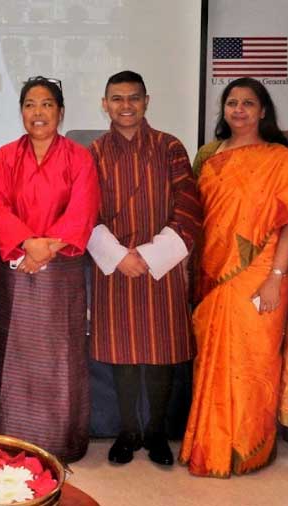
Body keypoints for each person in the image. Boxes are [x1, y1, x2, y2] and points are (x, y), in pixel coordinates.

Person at [180, 77, 288, 477]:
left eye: (248, 103)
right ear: (223, 111)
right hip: (211, 275)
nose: (239, 110)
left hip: (260, 272)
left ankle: (248, 449)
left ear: (263, 111)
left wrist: (276, 276)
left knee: (253, 365)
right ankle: (210, 447)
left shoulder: (277, 157)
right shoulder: (209, 156)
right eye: (232, 103)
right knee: (211, 363)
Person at [85, 71, 203, 466]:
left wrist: (150, 256)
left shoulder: (170, 147)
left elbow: (187, 205)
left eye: (133, 98)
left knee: (160, 351)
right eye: (117, 99)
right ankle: (127, 431)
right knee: (122, 354)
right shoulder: (95, 152)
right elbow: (85, 213)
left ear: (146, 101)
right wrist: (119, 256)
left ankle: (155, 433)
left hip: (161, 265)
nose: (126, 106)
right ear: (105, 104)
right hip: (116, 265)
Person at [0, 76, 99, 463]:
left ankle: (58, 443)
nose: (38, 112)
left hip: (61, 269)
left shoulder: (79, 157)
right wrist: (26, 246)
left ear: (61, 112)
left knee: (60, 357)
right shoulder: (4, 157)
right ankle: (17, 441)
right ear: (21, 112)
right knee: (17, 356)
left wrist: (46, 247)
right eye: (30, 104)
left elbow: (83, 209)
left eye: (47, 104)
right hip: (17, 269)